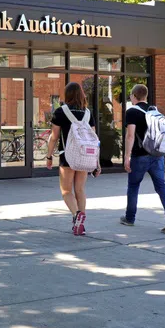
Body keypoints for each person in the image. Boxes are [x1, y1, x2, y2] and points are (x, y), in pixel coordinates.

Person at [120, 84, 165, 233]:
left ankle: (130, 218)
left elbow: (130, 135)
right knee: (161, 187)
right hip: (157, 155)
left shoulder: (132, 111)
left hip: (140, 156)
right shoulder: (155, 111)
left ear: (133, 96)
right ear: (145, 96)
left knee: (133, 186)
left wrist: (127, 156)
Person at [46, 82, 101, 236]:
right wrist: (97, 162)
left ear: (67, 94)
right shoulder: (88, 113)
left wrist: (49, 156)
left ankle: (77, 215)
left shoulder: (60, 112)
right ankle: (80, 225)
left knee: (66, 191)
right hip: (85, 156)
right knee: (80, 189)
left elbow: (54, 137)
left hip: (67, 156)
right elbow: (93, 140)